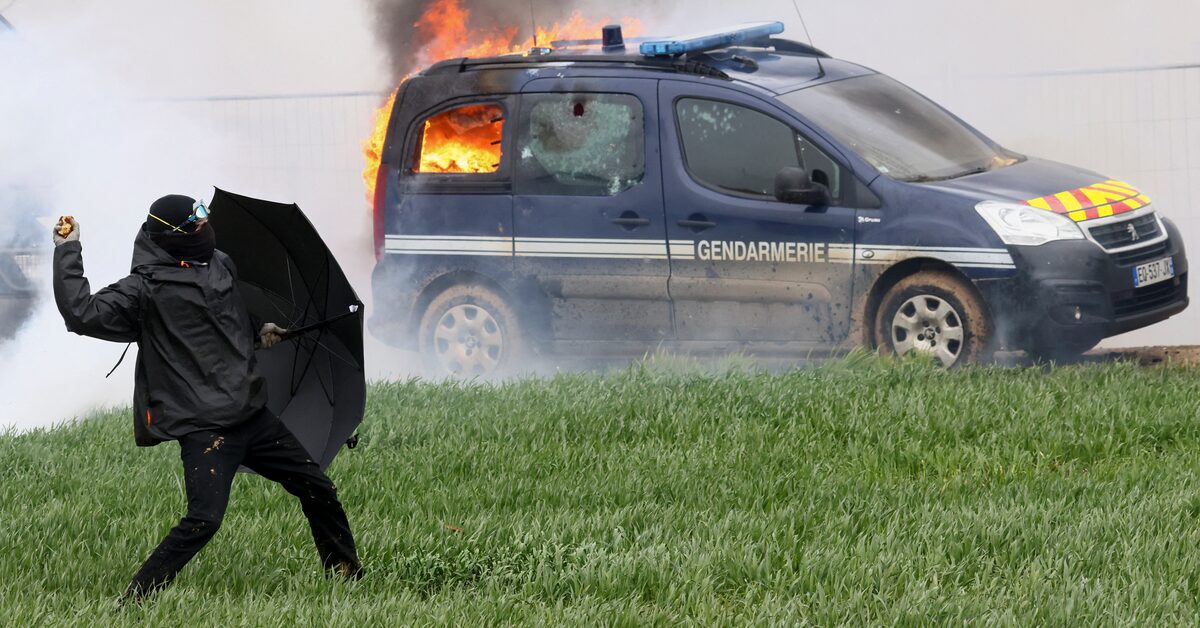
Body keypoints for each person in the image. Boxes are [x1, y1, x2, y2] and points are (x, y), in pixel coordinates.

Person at [51, 194, 362, 603]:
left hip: (251, 413)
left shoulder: (220, 263)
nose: (205, 226)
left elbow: (228, 318)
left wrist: (258, 331)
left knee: (318, 486)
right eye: (195, 222)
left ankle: (346, 577)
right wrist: (67, 250)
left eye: (204, 217)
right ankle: (135, 599)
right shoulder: (144, 290)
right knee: (204, 520)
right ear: (172, 235)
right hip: (205, 428)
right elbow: (81, 313)